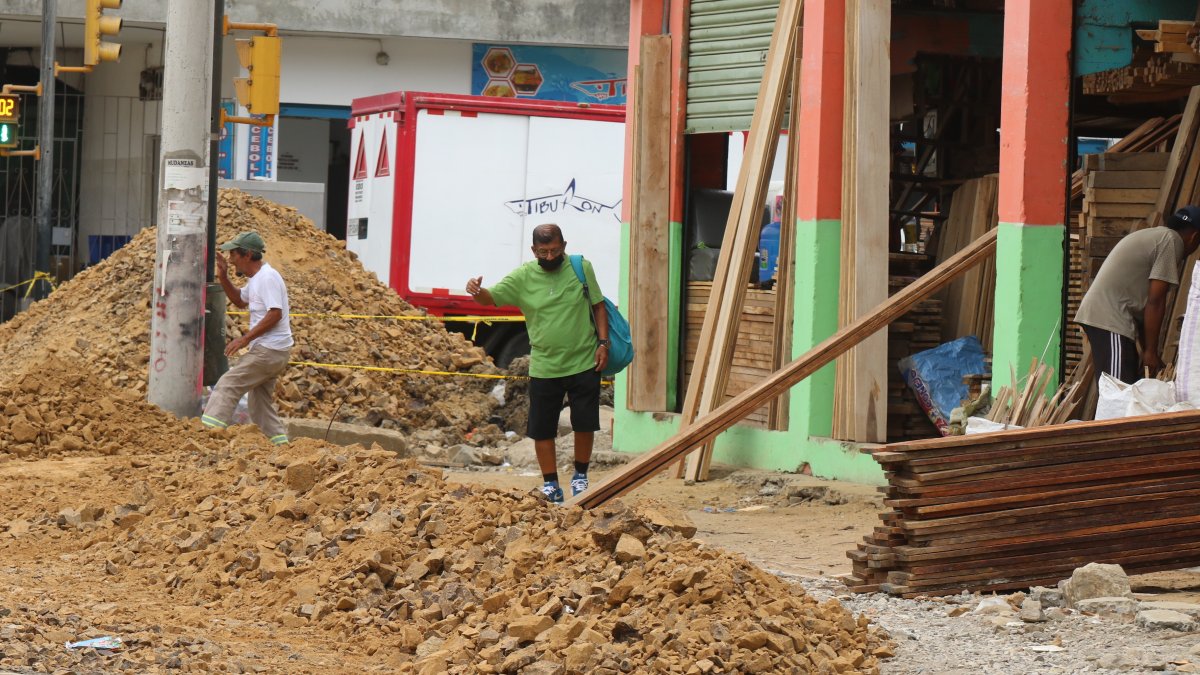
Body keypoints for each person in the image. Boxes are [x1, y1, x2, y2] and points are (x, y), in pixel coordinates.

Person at [466, 223, 609, 503]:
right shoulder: (523, 277)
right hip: (545, 365)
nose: (549, 257)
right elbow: (490, 298)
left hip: (584, 360)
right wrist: (476, 290)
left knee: (584, 423)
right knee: (542, 427)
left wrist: (604, 344)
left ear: (564, 246)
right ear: (534, 250)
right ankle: (551, 484)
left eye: (555, 250)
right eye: (543, 252)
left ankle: (580, 476)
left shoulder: (581, 267)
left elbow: (598, 305)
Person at [1076, 206, 1200, 383]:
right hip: (1110, 317)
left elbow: (1143, 307)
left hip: (1108, 315)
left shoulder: (1157, 236)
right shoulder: (1171, 241)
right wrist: (1150, 352)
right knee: (1118, 390)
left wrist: (1149, 351)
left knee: (1124, 387)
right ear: (1194, 236)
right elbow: (1155, 301)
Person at [201, 231, 294, 445]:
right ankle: (281, 445)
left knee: (228, 384)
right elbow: (240, 301)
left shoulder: (267, 278)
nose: (231, 259)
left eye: (233, 254)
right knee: (259, 404)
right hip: (274, 352)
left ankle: (208, 437)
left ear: (248, 254)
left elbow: (275, 313)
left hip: (268, 351)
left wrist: (243, 340)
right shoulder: (256, 279)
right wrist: (223, 276)